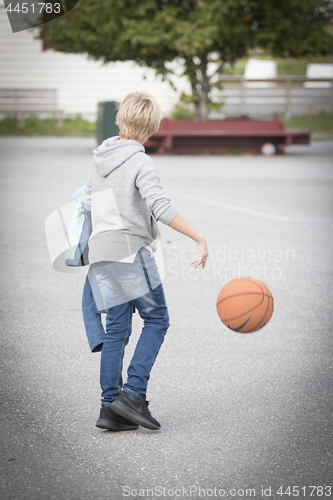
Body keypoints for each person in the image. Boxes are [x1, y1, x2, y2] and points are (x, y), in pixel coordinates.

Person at [81, 91, 208, 432]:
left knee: (117, 331)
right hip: (130, 255)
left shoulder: (100, 158)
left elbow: (88, 203)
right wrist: (198, 237)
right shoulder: (140, 162)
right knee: (157, 320)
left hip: (101, 256)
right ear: (152, 128)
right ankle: (133, 395)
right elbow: (161, 207)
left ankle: (110, 408)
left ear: (119, 119)